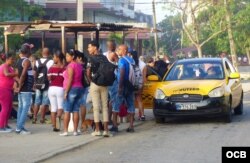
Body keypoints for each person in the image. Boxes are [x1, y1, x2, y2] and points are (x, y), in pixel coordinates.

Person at [87, 40, 112, 137]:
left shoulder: (91, 58)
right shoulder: (104, 57)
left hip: (95, 84)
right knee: (105, 107)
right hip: (104, 84)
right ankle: (106, 130)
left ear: (95, 47)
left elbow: (88, 72)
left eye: (89, 47)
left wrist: (91, 81)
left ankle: (97, 130)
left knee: (96, 108)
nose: (88, 49)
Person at [110, 45, 136, 133]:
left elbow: (122, 72)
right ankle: (131, 126)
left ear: (124, 50)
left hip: (122, 84)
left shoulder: (122, 60)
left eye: (119, 49)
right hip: (130, 85)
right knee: (131, 104)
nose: (118, 50)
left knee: (116, 105)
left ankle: (114, 126)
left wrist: (120, 86)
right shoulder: (131, 60)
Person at [60, 49, 83, 136]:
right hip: (79, 88)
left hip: (71, 88)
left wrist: (66, 92)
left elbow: (70, 79)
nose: (66, 58)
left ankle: (65, 131)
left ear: (72, 56)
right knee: (76, 110)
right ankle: (75, 131)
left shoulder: (70, 66)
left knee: (67, 110)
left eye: (67, 56)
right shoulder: (79, 65)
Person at [16, 43, 34, 134]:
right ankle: (20, 128)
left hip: (22, 88)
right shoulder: (27, 61)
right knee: (25, 108)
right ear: (28, 51)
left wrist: (18, 86)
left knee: (21, 108)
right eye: (30, 49)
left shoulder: (19, 61)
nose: (31, 51)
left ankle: (18, 127)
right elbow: (23, 74)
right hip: (26, 88)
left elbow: (17, 74)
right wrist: (20, 85)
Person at [33, 48, 54, 124]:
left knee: (37, 101)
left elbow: (34, 73)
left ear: (42, 53)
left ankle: (34, 118)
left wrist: (35, 82)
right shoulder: (51, 61)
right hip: (47, 84)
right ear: (49, 53)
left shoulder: (37, 61)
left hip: (38, 83)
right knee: (44, 102)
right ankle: (42, 118)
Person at [47, 50, 65, 132]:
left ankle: (54, 125)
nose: (53, 58)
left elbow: (49, 78)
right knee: (60, 107)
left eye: (54, 57)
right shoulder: (64, 68)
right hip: (60, 89)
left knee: (53, 108)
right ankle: (58, 123)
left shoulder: (51, 68)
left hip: (51, 89)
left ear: (58, 58)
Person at [0, 53, 18, 133]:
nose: (13, 60)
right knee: (5, 108)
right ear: (7, 59)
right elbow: (7, 74)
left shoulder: (9, 67)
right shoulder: (4, 66)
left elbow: (14, 77)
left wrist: (18, 82)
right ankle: (1, 126)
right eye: (12, 59)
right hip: (3, 89)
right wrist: (17, 73)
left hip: (8, 89)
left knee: (9, 108)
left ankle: (5, 124)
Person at [104, 40, 119, 125]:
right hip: (113, 79)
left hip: (105, 80)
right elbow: (119, 65)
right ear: (113, 46)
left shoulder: (103, 55)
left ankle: (107, 119)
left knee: (106, 100)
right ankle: (111, 120)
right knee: (113, 101)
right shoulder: (113, 54)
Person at [129, 50, 147, 121]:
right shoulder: (143, 64)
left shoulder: (130, 63)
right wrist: (142, 85)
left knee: (131, 100)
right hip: (139, 84)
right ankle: (142, 115)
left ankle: (132, 117)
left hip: (131, 84)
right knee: (139, 100)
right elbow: (144, 77)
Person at [75, 50, 89, 132]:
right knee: (83, 104)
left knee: (77, 105)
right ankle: (83, 124)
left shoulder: (76, 65)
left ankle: (77, 125)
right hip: (85, 86)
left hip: (78, 86)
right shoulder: (85, 64)